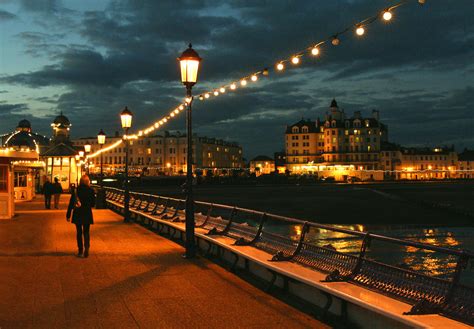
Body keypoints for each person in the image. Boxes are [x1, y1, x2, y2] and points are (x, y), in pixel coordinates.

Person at [67, 175, 95, 258]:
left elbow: (71, 203)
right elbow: (93, 204)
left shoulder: (76, 190)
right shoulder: (91, 190)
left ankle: (80, 250)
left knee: (79, 232)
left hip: (78, 213)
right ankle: (87, 248)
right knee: (86, 231)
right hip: (87, 213)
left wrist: (68, 215)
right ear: (88, 181)